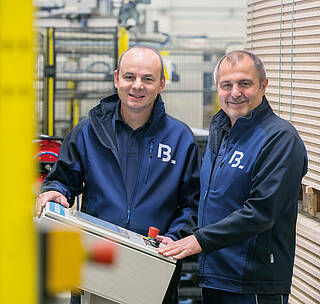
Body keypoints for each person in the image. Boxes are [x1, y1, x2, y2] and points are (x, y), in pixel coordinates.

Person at [36, 45, 201, 304]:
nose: (137, 86)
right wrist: (54, 192)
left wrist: (174, 237)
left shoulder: (180, 139)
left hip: (153, 267)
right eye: (129, 77)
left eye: (148, 79)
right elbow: (62, 180)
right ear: (116, 79)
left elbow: (193, 203)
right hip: (95, 265)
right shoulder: (88, 132)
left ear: (161, 84)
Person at [158, 50, 308, 304]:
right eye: (226, 85)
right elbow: (213, 200)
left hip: (252, 283)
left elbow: (261, 211)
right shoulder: (222, 131)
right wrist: (184, 238)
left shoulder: (280, 139)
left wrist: (199, 241)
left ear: (263, 85)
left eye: (245, 84)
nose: (235, 92)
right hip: (216, 275)